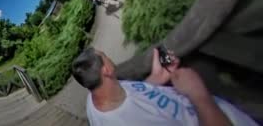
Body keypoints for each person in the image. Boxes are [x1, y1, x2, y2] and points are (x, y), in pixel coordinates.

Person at [71, 47, 258, 125]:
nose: (109, 57)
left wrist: (156, 77)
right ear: (106, 70)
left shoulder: (98, 94)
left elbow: (133, 101)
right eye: (105, 56)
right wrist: (198, 94)